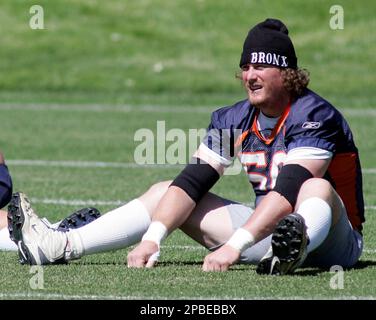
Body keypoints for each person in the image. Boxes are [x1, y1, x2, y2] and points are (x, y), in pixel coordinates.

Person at [7, 18, 364, 274]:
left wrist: (233, 247)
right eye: (245, 66)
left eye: (261, 65)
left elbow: (289, 190)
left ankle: (294, 254)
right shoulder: (234, 117)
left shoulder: (315, 113)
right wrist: (153, 238)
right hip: (269, 235)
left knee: (314, 186)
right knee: (167, 192)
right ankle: (61, 245)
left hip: (333, 240)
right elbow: (193, 182)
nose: (250, 74)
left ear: (286, 73)